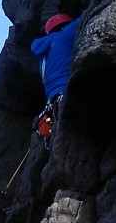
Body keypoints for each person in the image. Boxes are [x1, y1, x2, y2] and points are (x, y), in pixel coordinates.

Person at [30, 13, 83, 144]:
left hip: (52, 101)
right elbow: (86, 16)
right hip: (67, 90)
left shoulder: (43, 57)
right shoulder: (64, 35)